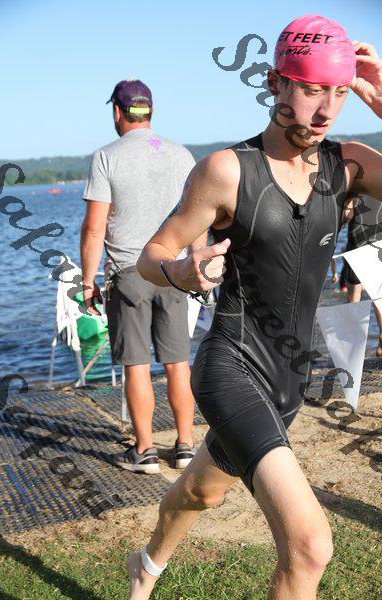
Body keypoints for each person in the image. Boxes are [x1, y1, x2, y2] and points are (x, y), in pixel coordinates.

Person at [129, 15, 382, 599]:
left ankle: (144, 568)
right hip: (233, 367)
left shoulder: (348, 165)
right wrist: (180, 271)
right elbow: (152, 254)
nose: (326, 110)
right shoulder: (227, 171)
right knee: (310, 545)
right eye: (312, 89)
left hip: (292, 378)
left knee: (202, 492)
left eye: (340, 93)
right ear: (275, 83)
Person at [80, 79, 207, 474]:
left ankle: (145, 451)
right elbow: (199, 218)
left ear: (118, 112)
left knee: (136, 365)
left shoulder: (106, 156)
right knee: (178, 362)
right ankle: (185, 446)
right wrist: (197, 266)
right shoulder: (182, 155)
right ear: (150, 111)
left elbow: (94, 229)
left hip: (129, 273)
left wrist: (87, 283)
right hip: (173, 271)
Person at [345, 193, 382, 356]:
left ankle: (353, 349)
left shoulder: (353, 186)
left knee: (354, 298)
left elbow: (347, 215)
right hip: (379, 242)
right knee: (378, 297)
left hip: (357, 243)